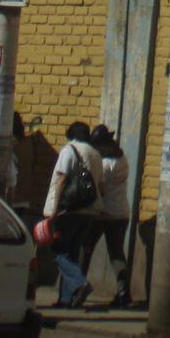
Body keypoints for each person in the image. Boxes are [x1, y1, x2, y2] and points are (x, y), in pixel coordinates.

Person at [42, 121, 101, 310]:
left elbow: (61, 179)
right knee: (73, 254)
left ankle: (80, 282)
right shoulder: (96, 154)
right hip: (89, 212)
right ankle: (66, 300)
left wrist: (54, 209)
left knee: (58, 251)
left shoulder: (69, 150)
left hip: (68, 210)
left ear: (71, 134)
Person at [82, 125, 133, 310]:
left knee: (85, 248)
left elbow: (99, 188)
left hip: (103, 213)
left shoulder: (103, 164)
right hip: (121, 213)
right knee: (117, 254)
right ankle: (123, 293)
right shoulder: (123, 159)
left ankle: (77, 288)